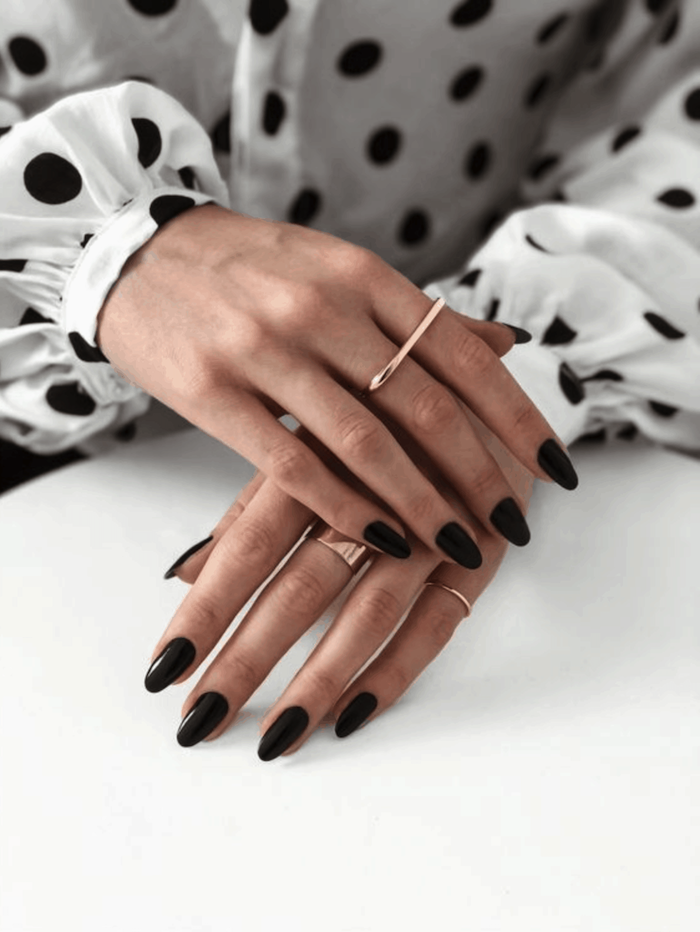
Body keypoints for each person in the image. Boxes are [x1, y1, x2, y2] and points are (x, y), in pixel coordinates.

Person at [1, 0, 698, 760]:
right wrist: (105, 255)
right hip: (43, 482)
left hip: (487, 422)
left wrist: (488, 372)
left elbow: (679, 100)